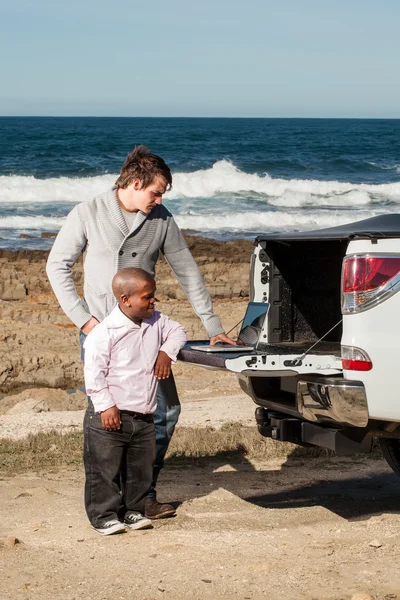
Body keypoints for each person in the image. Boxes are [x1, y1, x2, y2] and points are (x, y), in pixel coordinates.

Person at [46, 145, 235, 518]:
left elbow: (188, 271)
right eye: (156, 191)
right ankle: (110, 502)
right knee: (107, 418)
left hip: (146, 336)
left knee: (163, 413)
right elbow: (57, 266)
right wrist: (85, 320)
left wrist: (213, 325)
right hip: (102, 333)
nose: (159, 199)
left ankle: (143, 493)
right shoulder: (88, 212)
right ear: (135, 182)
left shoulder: (161, 219)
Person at [83, 267, 187, 535]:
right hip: (111, 413)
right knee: (104, 468)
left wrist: (166, 352)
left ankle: (133, 510)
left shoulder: (156, 321)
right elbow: (94, 373)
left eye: (153, 296)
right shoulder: (104, 333)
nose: (154, 301)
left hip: (143, 414)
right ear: (125, 299)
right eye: (147, 297)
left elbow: (178, 331)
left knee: (139, 468)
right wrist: (106, 406)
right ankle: (103, 514)